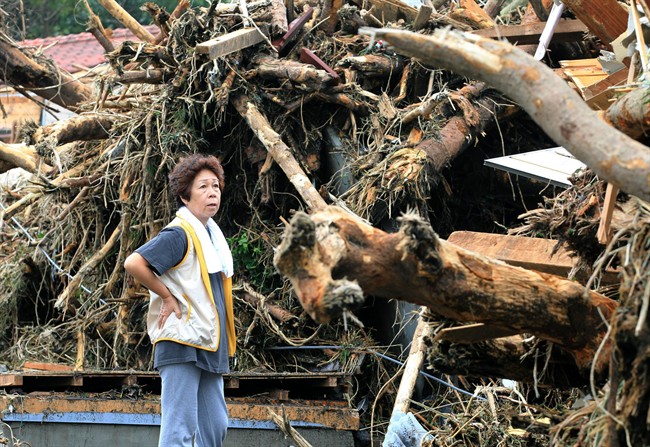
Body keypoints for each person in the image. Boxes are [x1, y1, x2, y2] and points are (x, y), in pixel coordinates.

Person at [124, 153, 235, 447]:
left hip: (207, 340)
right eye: (203, 187)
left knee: (215, 427)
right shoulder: (179, 234)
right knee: (179, 430)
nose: (212, 192)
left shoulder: (212, 237)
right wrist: (166, 296)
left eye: (215, 186)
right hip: (181, 341)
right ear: (185, 197)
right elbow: (134, 263)